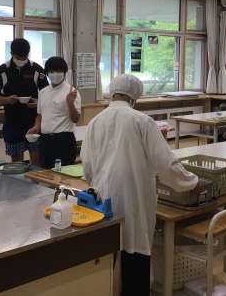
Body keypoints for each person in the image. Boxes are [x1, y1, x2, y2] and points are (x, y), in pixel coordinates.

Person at [80, 74, 199, 296]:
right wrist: (191, 182)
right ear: (135, 96)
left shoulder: (95, 121)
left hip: (102, 200)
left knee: (109, 255)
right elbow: (165, 163)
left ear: (113, 92)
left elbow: (86, 165)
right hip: (134, 197)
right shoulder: (142, 121)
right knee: (135, 252)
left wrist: (98, 183)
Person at [0, 38, 48, 164]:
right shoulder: (1, 71)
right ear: (11, 54)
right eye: (18, 57)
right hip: (12, 122)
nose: (21, 60)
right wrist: (7, 100)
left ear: (28, 54)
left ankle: (36, 176)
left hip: (34, 121)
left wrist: (37, 102)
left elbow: (47, 95)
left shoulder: (37, 70)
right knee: (17, 163)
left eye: (24, 57)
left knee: (37, 161)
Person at [27, 57, 81, 169]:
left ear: (64, 72)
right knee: (45, 172)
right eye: (51, 71)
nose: (55, 74)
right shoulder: (43, 92)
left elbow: (75, 119)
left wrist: (70, 103)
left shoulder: (72, 92)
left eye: (59, 71)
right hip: (45, 140)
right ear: (47, 73)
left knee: (63, 174)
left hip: (64, 140)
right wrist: (36, 126)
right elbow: (40, 114)